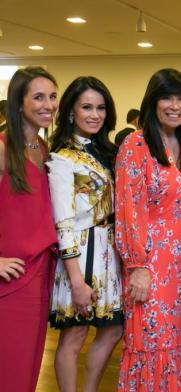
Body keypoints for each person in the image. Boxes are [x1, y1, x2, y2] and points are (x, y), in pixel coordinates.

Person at [115, 68, 181, 391]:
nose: (175, 105)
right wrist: (137, 265)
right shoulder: (135, 145)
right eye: (167, 97)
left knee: (178, 339)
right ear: (153, 102)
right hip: (149, 262)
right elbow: (127, 209)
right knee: (150, 340)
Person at [47, 76, 123, 392]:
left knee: (114, 328)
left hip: (108, 253)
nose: (95, 114)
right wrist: (77, 281)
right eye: (87, 107)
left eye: (101, 107)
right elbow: (62, 222)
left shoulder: (107, 151)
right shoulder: (61, 158)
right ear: (70, 112)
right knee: (75, 335)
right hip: (79, 254)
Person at [0, 67, 58, 391]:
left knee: (28, 372)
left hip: (40, 274)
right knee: (10, 371)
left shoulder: (42, 150)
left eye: (52, 97)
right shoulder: (3, 147)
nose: (48, 104)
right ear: (19, 102)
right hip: (12, 279)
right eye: (38, 97)